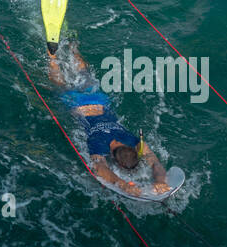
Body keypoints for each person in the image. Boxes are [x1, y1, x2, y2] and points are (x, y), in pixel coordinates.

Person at [48, 41, 171, 197]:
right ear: (111, 156)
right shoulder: (98, 144)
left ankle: (73, 49)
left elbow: (155, 163)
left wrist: (161, 181)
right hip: (76, 104)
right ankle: (52, 56)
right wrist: (124, 185)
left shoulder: (133, 140)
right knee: (59, 82)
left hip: (99, 100)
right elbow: (100, 168)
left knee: (84, 73)